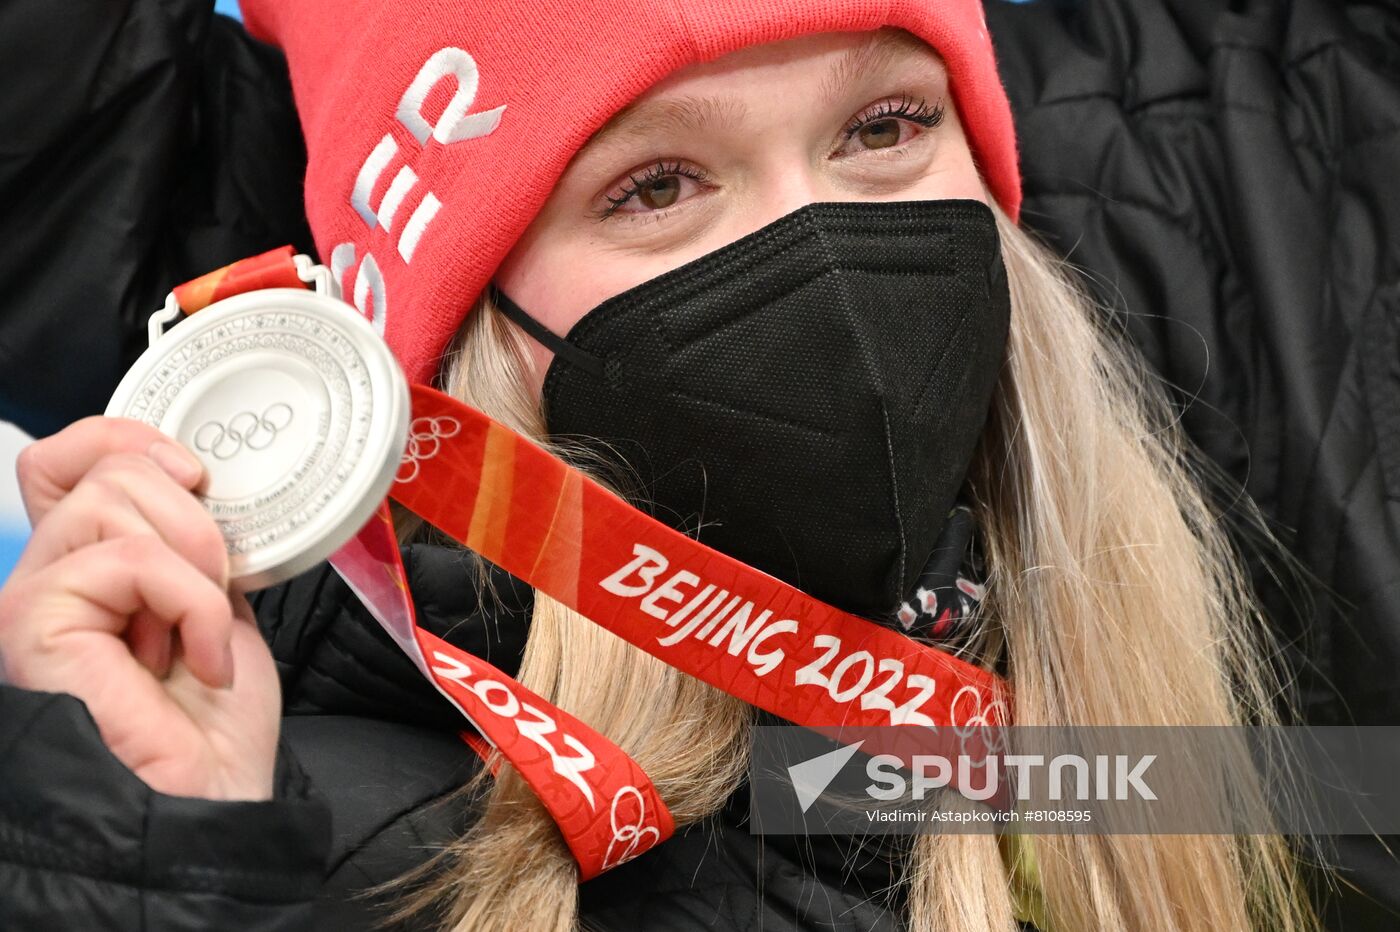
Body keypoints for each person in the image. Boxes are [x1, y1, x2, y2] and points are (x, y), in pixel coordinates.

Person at [0, 0, 1395, 929]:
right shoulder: (350, 852)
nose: (826, 265)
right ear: (462, 325)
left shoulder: (1189, 697)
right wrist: (132, 869)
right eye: (655, 187)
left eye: (885, 128)